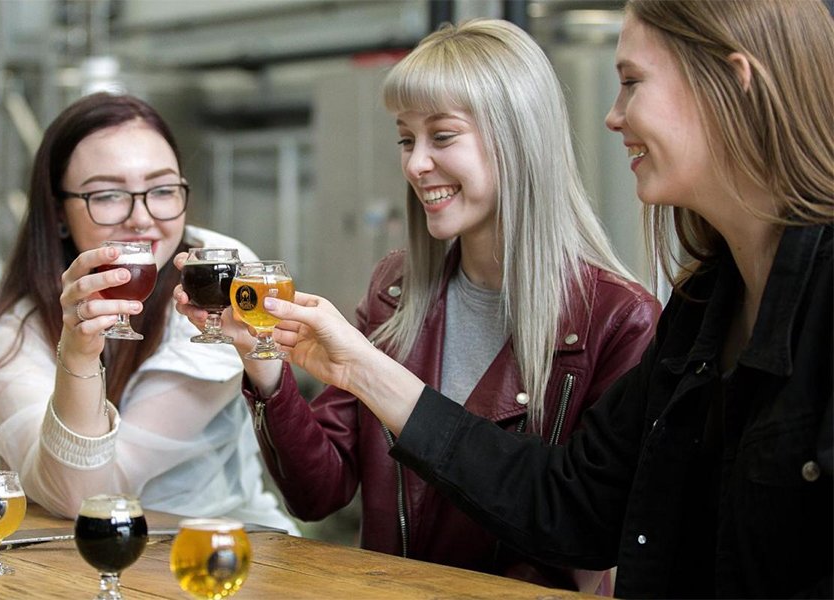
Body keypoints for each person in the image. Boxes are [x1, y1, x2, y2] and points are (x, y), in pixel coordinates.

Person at [243, 1, 834, 598]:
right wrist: (324, 368)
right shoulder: (705, 309)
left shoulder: (629, 314)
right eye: (405, 140)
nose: (611, 116)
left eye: (631, 82)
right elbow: (572, 504)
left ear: (732, 83)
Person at [175, 19, 658, 594]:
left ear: (517, 138)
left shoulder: (619, 319)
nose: (415, 165)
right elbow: (319, 494)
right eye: (406, 139)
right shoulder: (395, 289)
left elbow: (583, 527)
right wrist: (263, 361)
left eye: (442, 136)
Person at [0, 92, 297, 535]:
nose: (143, 217)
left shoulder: (216, 277)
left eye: (163, 190)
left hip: (225, 546)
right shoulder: (21, 326)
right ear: (59, 212)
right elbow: (70, 489)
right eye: (106, 195)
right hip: (91, 559)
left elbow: (91, 489)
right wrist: (79, 356)